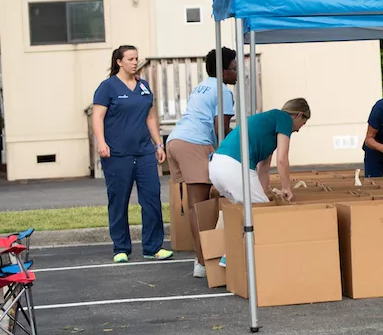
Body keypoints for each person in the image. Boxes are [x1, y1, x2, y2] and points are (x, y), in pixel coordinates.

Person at [92, 45, 172, 263]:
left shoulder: (144, 86)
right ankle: (121, 248)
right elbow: (97, 116)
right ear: (119, 62)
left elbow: (151, 117)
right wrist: (101, 142)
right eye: (130, 59)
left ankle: (153, 247)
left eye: (137, 58)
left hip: (145, 152)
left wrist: (158, 145)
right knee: (118, 201)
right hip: (117, 154)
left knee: (152, 198)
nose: (135, 62)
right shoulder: (107, 87)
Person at [209, 98, 310, 267]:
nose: (299, 129)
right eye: (303, 123)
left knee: (243, 211)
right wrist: (286, 187)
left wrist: (264, 194)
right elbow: (282, 160)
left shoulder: (267, 123)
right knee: (264, 218)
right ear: (298, 115)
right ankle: (236, 258)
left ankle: (221, 253)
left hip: (217, 165)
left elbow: (263, 168)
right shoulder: (284, 118)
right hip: (235, 167)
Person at [166, 48, 237, 279]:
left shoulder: (203, 85)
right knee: (201, 206)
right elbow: (221, 130)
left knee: (196, 205)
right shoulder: (223, 91)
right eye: (234, 68)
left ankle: (202, 258)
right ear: (223, 70)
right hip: (194, 142)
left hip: (176, 140)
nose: (237, 73)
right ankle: (203, 262)